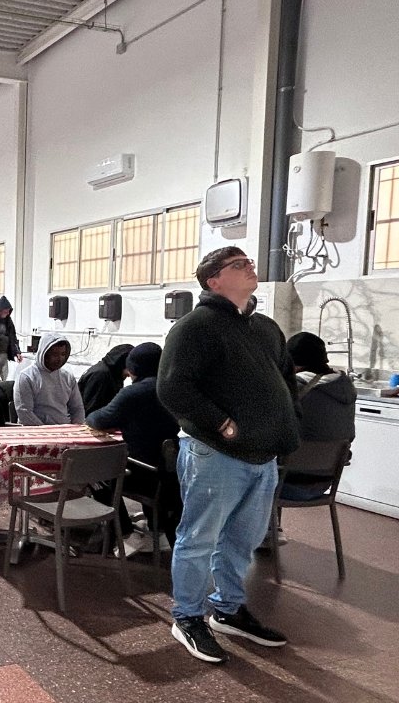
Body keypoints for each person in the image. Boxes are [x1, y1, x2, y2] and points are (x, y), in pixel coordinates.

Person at [157, 246, 300, 664]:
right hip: (214, 453)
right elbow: (173, 387)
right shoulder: (195, 327)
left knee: (244, 539)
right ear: (213, 280)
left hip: (262, 456)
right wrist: (220, 423)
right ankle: (187, 616)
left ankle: (228, 608)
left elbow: (286, 380)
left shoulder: (265, 328)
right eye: (239, 265)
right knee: (199, 538)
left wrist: (290, 421)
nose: (250, 267)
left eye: (249, 262)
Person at [85, 342, 180, 556]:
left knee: (98, 473)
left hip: (144, 476)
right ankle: (158, 529)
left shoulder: (134, 393)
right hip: (173, 474)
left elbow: (97, 419)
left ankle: (124, 532)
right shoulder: (174, 389)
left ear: (134, 367)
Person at [282, 332, 356, 501]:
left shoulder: (293, 388)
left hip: (287, 484)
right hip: (326, 481)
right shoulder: (346, 387)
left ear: (293, 363)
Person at [13, 335, 85, 426]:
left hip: (65, 429)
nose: (60, 359)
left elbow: (77, 408)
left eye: (63, 354)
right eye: (55, 354)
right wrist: (46, 430)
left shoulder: (68, 377)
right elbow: (24, 413)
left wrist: (76, 427)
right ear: (44, 354)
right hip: (36, 430)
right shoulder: (26, 377)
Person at [79, 344, 134, 414]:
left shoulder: (113, 374)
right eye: (129, 369)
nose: (129, 375)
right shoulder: (101, 375)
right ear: (122, 363)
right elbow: (91, 409)